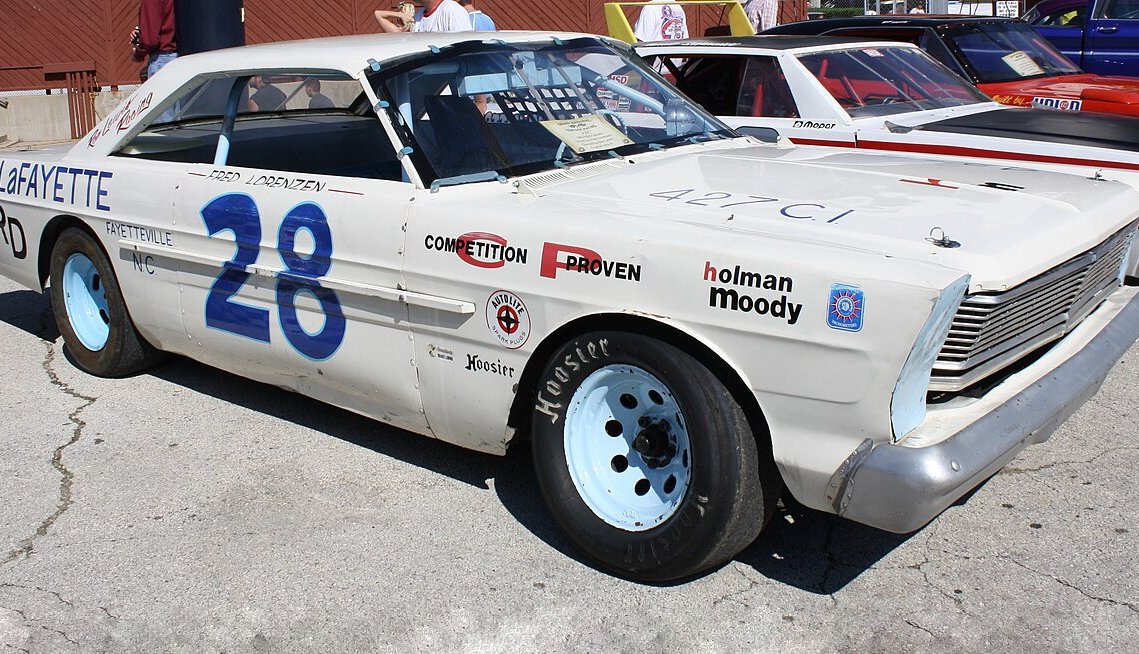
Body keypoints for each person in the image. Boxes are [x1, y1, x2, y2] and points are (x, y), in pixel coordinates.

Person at [131, 0, 177, 80]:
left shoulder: (151, 1)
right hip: (184, 57)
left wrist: (138, 53)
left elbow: (150, 41)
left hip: (162, 59)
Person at [375, 0, 473, 33]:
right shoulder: (418, 17)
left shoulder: (451, 9)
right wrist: (400, 15)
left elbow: (465, 48)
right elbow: (378, 14)